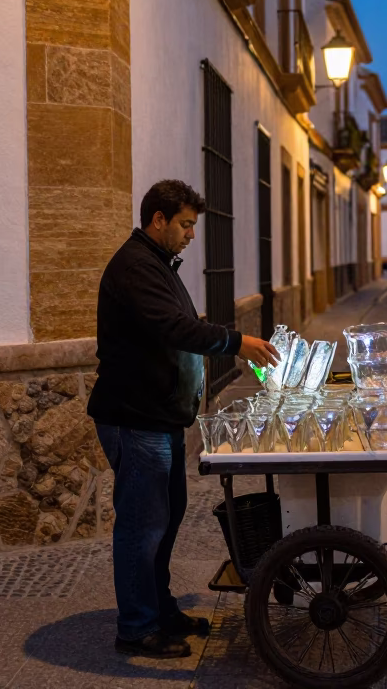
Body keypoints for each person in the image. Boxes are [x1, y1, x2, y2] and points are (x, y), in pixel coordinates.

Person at [88, 179, 279, 658]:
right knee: (142, 526)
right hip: (135, 419)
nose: (191, 235)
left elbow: (177, 325)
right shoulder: (135, 266)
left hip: (161, 417)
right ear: (159, 220)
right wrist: (237, 342)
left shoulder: (158, 264)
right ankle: (136, 627)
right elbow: (173, 327)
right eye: (186, 225)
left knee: (166, 520)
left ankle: (161, 609)